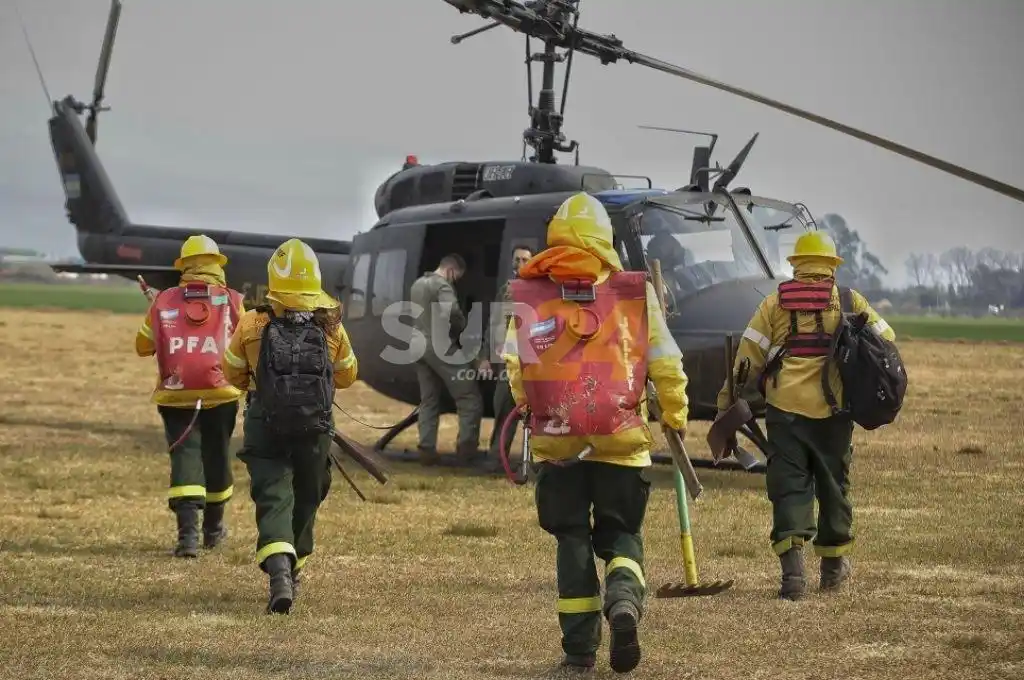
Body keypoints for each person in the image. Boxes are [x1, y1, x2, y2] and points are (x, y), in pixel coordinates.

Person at [502, 192, 689, 673]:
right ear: (605, 238)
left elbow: (515, 365)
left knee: (571, 539)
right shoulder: (635, 292)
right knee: (622, 532)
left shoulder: (530, 292)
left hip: (557, 442)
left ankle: (579, 651)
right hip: (622, 441)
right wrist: (675, 413)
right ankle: (623, 596)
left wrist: (532, 407)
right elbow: (666, 363)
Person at [716, 230, 895, 600]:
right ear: (832, 265)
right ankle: (832, 570)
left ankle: (793, 577)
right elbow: (887, 339)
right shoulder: (850, 300)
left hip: (785, 412)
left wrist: (725, 403)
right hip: (835, 411)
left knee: (789, 486)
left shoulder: (773, 303)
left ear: (796, 264)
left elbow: (746, 360)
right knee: (833, 485)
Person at [221, 238, 358, 614]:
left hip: (265, 422)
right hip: (315, 426)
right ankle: (295, 565)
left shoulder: (252, 323)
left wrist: (262, 384)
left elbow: (232, 371)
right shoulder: (330, 326)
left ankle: (279, 571)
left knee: (273, 492)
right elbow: (348, 375)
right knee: (308, 493)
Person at [134, 234, 245, 558]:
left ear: (183, 266)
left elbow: (142, 347)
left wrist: (162, 321)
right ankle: (213, 530)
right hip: (221, 392)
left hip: (176, 393)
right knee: (217, 454)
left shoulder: (164, 299)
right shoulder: (233, 300)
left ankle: (188, 539)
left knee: (184, 455)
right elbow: (248, 344)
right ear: (217, 265)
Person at [409, 253, 485, 465]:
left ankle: (426, 449)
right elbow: (453, 312)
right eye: (457, 277)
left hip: (417, 346)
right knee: (469, 397)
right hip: (439, 347)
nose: (455, 282)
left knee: (429, 400)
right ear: (451, 270)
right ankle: (467, 450)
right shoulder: (442, 286)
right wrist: (465, 331)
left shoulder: (418, 284)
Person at [481, 244, 533, 473]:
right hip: (510, 363)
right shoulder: (506, 290)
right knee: (504, 410)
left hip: (533, 361)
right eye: (517, 259)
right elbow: (493, 325)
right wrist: (486, 356)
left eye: (525, 260)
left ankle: (535, 464)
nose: (520, 264)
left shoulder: (540, 287)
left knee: (539, 416)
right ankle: (496, 459)